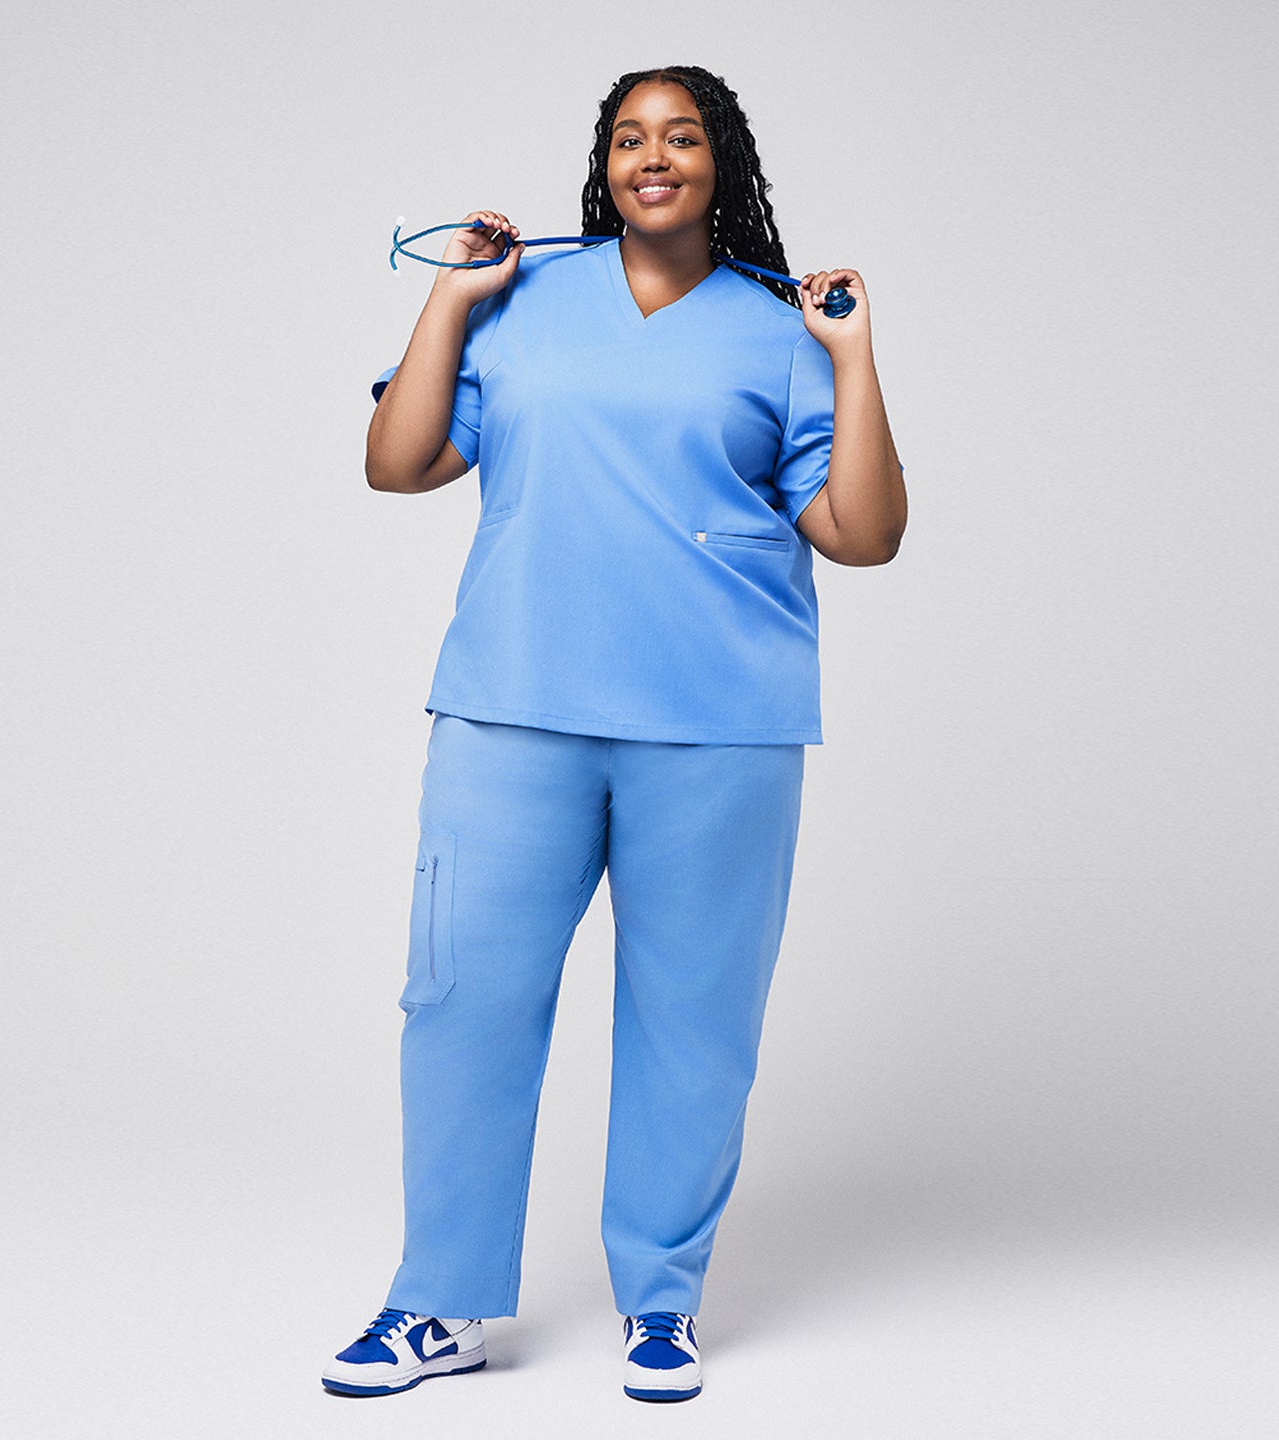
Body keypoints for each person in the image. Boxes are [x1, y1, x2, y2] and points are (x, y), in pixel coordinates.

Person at [323, 64, 906, 1403]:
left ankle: (662, 1303)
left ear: (720, 164)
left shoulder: (780, 328)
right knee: (461, 1004)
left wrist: (855, 357)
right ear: (604, 166)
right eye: (631, 138)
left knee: (691, 1023)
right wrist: (448, 298)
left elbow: (864, 535)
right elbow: (397, 463)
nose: (655, 157)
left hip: (718, 726)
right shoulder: (521, 298)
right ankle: (439, 1303)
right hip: (513, 708)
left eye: (682, 136)